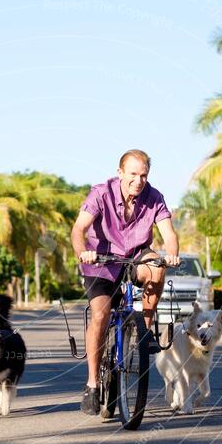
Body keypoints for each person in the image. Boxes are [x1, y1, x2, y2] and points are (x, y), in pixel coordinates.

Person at [70, 149, 180, 415]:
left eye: (143, 175)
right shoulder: (100, 193)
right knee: (101, 314)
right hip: (101, 260)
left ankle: (145, 328)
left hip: (135, 256)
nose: (138, 180)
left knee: (156, 266)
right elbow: (78, 229)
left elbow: (168, 232)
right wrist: (82, 251)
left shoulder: (154, 197)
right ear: (120, 172)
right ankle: (93, 384)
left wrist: (172, 253)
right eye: (133, 174)